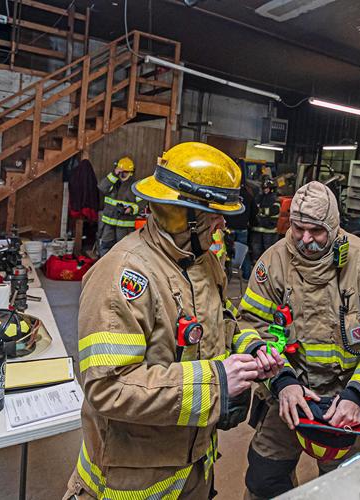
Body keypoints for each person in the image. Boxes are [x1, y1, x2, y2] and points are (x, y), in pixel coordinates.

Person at [63, 142, 282, 500]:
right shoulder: (123, 274)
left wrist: (251, 348)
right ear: (184, 215)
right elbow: (108, 387)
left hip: (194, 467)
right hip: (130, 481)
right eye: (214, 215)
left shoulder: (203, 262)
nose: (222, 224)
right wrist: (217, 381)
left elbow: (222, 323)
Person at [239, 181, 360, 499]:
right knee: (264, 477)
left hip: (351, 396)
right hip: (292, 393)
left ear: (333, 226)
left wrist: (357, 395)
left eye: (316, 231)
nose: (305, 239)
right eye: (298, 228)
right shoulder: (274, 262)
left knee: (349, 485)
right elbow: (250, 325)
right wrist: (282, 382)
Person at [96, 156, 140, 256]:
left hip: (124, 226)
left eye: (125, 172)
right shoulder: (113, 182)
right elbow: (102, 187)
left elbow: (142, 203)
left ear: (131, 172)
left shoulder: (134, 186)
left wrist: (131, 209)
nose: (123, 174)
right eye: (121, 171)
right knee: (105, 247)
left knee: (122, 250)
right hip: (109, 224)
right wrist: (113, 174)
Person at [224, 183, 255, 279]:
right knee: (243, 252)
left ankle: (227, 276)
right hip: (242, 228)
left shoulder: (230, 194)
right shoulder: (248, 195)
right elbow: (255, 211)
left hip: (230, 228)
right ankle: (247, 275)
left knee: (228, 251)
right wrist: (249, 220)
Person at [250, 176, 281, 262]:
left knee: (268, 251)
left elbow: (274, 211)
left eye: (267, 188)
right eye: (264, 188)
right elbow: (254, 209)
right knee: (256, 251)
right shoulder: (259, 197)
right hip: (257, 229)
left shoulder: (274, 198)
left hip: (269, 230)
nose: (265, 190)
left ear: (271, 188)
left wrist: (261, 211)